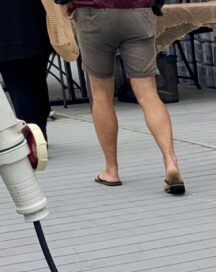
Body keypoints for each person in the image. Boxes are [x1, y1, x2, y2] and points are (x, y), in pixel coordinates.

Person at [58, 0, 185, 193]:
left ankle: (111, 170)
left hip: (94, 11)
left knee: (101, 94)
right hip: (138, 11)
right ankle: (170, 160)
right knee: (148, 94)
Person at [0, 0, 52, 139]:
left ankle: (35, 139)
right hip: (37, 24)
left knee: (19, 87)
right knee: (38, 81)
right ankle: (39, 132)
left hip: (6, 35)